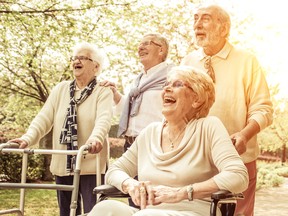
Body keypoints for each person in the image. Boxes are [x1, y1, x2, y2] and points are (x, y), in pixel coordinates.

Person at [88, 66, 248, 216]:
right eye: (166, 85)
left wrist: (182, 193)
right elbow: (114, 171)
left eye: (177, 84)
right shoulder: (150, 132)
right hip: (148, 213)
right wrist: (130, 185)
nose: (166, 89)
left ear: (196, 99)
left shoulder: (208, 127)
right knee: (104, 208)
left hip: (194, 212)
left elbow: (237, 175)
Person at [181, 4, 273, 216]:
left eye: (205, 18)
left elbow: (264, 109)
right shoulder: (188, 61)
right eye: (195, 18)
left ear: (224, 28)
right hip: (195, 158)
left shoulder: (247, 61)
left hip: (237, 159)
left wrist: (244, 134)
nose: (197, 24)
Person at [8, 42, 113, 216]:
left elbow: (104, 119)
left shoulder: (102, 91)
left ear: (96, 66)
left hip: (90, 162)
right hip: (63, 162)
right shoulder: (61, 89)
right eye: (74, 58)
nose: (76, 61)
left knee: (94, 211)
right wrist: (27, 138)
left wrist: (96, 139)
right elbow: (44, 118)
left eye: (82, 58)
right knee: (66, 212)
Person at [101, 32, 174, 152]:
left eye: (146, 43)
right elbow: (131, 108)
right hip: (130, 144)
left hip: (156, 144)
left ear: (161, 50)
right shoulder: (138, 80)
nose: (140, 47)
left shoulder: (172, 76)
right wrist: (115, 93)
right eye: (139, 44)